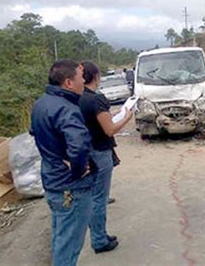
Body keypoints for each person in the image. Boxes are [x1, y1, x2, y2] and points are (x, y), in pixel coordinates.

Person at [30, 60, 95, 266]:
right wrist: (78, 171)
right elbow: (79, 146)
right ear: (68, 82)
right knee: (69, 247)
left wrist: (57, 155)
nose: (83, 81)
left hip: (53, 182)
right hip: (70, 188)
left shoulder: (41, 103)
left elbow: (35, 132)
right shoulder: (67, 108)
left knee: (61, 240)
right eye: (80, 77)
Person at [78, 61, 133, 254]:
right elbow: (109, 130)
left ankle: (99, 233)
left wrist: (114, 114)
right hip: (100, 152)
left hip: (86, 151)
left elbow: (98, 121)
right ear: (96, 77)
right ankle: (99, 240)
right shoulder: (96, 99)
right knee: (99, 199)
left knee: (94, 196)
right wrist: (126, 117)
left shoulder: (78, 98)